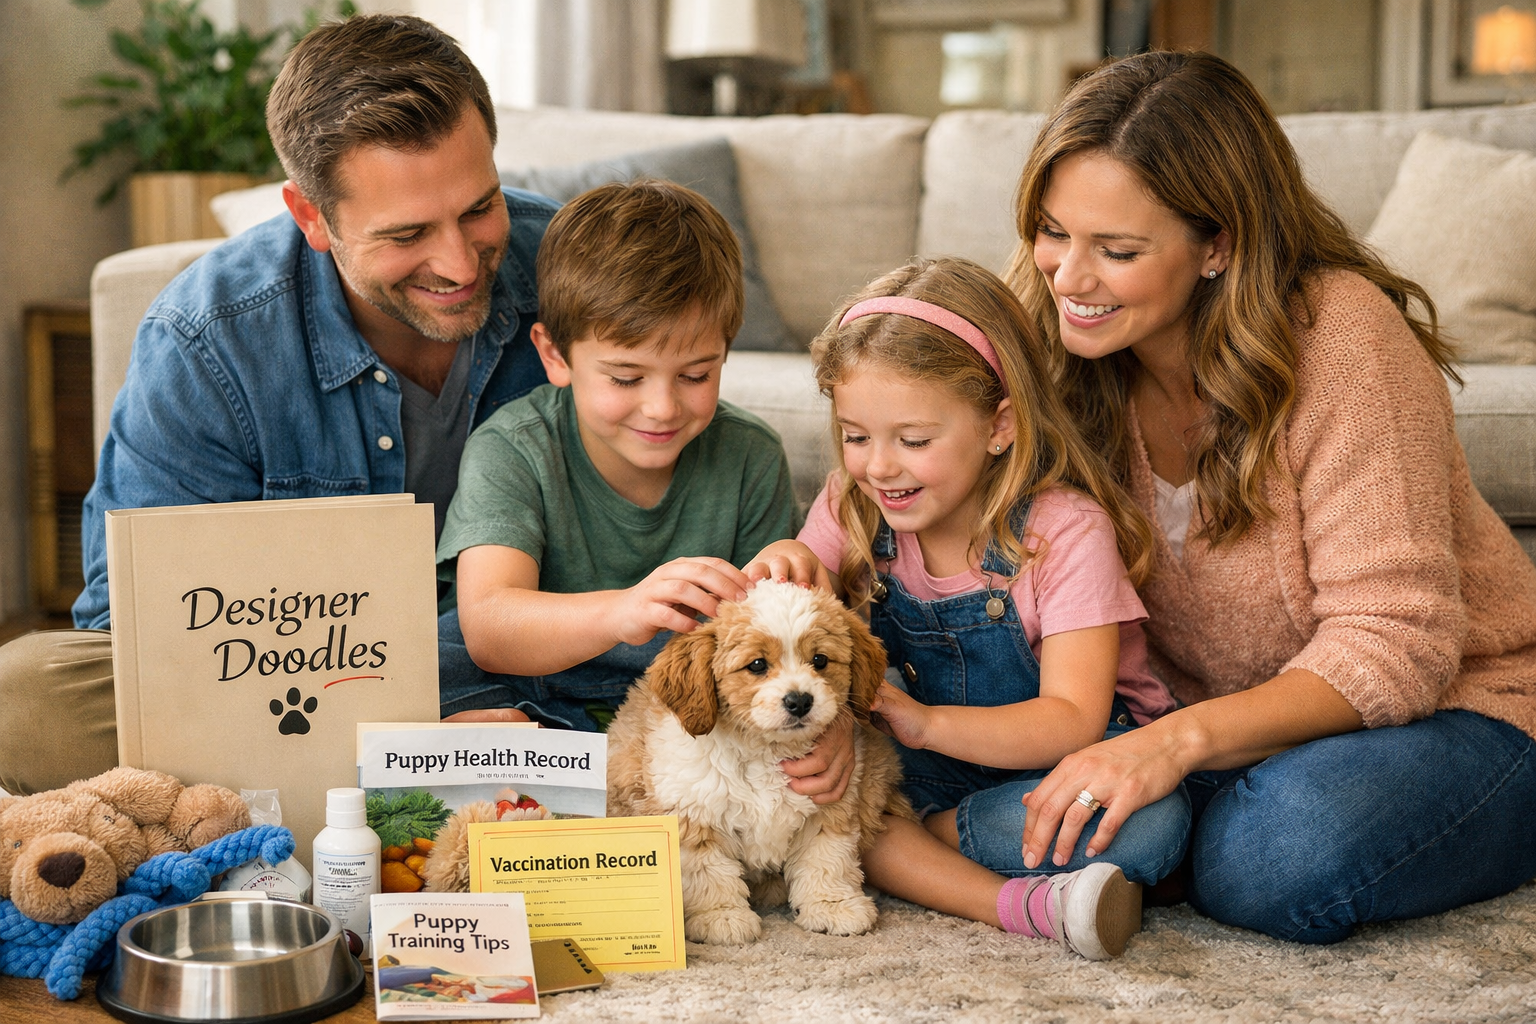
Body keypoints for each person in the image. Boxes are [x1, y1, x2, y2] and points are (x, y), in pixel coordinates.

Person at [1003, 50, 1536, 944]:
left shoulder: (1341, 337)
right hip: (1229, 734)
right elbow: (925, 481)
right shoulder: (1056, 334)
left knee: (1277, 853)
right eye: (1053, 231)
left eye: (1118, 250)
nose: (1067, 277)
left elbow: (1397, 645)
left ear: (1221, 244)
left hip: (1463, 710)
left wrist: (1168, 747)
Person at [0, 13, 557, 795]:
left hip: (535, 654)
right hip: (299, 683)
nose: (459, 263)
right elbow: (138, 629)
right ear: (311, 217)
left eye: (478, 208)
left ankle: (390, 769)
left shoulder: (569, 268)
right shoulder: (206, 339)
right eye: (406, 233)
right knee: (26, 696)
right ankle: (411, 763)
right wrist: (396, 723)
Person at [747, 256, 1190, 960]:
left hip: (1060, 762)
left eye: (914, 441)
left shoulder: (1065, 532)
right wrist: (785, 562)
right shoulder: (852, 506)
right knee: (846, 793)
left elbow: (1072, 720)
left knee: (1153, 822)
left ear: (998, 425)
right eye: (856, 436)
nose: (879, 467)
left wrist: (922, 723)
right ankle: (1025, 903)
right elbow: (792, 633)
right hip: (915, 769)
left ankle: (939, 841)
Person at [435, 180, 806, 734]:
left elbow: (771, 645)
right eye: (626, 377)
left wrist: (789, 567)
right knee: (432, 659)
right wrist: (623, 611)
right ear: (554, 356)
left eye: (696, 375)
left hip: (682, 702)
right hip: (534, 688)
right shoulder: (514, 446)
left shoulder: (750, 454)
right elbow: (490, 627)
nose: (661, 407)